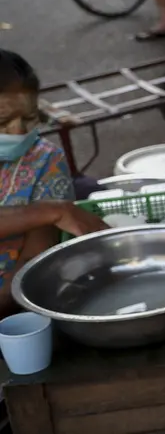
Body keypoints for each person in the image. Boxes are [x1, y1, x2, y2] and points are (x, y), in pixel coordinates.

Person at [0, 50, 109, 315]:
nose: (18, 132)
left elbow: (33, 259)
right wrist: (49, 211)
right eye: (3, 121)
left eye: (29, 118)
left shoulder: (45, 162)